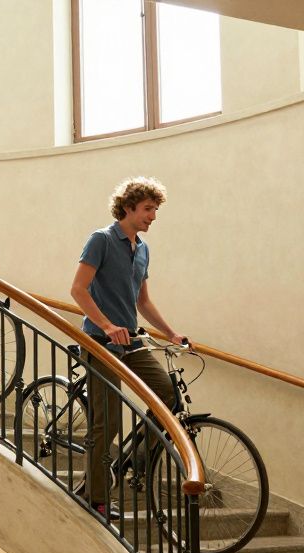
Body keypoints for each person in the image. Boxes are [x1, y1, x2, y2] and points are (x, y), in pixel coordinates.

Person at [69, 177, 188, 518]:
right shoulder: (102, 240)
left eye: (156, 209)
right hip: (100, 342)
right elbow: (78, 290)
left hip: (131, 342)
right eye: (148, 209)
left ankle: (135, 459)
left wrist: (170, 333)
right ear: (128, 207)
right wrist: (107, 325)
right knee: (108, 424)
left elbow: (143, 301)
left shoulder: (143, 249)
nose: (153, 216)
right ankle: (95, 498)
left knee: (169, 395)